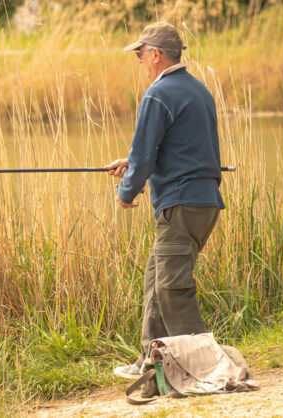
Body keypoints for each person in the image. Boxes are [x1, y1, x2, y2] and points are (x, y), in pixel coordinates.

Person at [106, 22, 225, 379]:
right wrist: (133, 166)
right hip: (201, 202)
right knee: (157, 281)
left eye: (141, 55)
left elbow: (144, 154)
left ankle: (206, 369)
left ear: (156, 54)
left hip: (181, 203)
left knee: (173, 289)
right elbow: (179, 148)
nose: (140, 62)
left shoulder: (158, 94)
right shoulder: (197, 90)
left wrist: (127, 191)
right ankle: (152, 362)